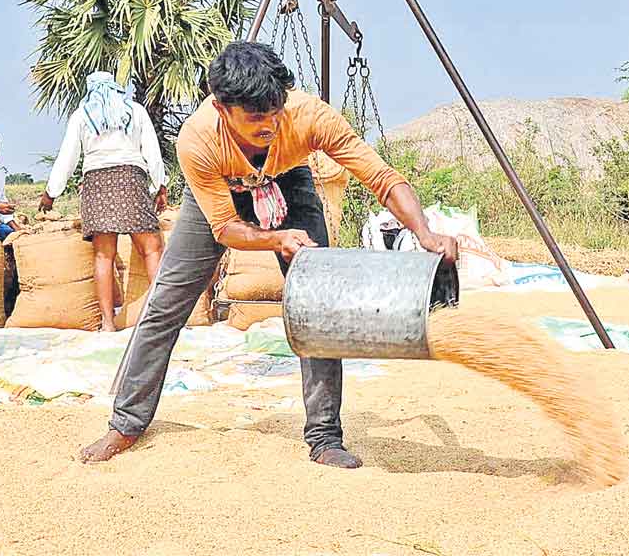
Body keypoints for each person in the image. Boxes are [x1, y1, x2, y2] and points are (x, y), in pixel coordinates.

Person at [79, 42, 458, 469]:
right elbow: (225, 228)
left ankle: (324, 437)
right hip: (221, 198)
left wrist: (423, 231)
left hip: (288, 183)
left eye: (275, 112)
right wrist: (276, 240)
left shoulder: (309, 116)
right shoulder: (199, 139)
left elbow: (382, 178)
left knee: (319, 305)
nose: (270, 126)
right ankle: (126, 423)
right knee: (165, 303)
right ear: (223, 109)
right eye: (256, 118)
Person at [41, 72, 167, 332]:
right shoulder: (135, 110)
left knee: (103, 255)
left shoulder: (82, 115)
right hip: (131, 178)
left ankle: (108, 324)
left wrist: (51, 193)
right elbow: (152, 152)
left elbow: (67, 158)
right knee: (152, 248)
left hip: (96, 182)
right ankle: (160, 320)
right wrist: (159, 185)